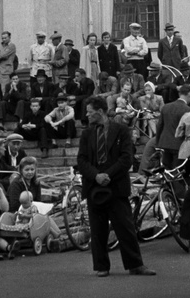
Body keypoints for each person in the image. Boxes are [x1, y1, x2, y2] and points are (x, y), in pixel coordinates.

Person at [76, 96, 155, 277]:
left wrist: (108, 175)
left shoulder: (121, 130)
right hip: (94, 186)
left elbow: (126, 158)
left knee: (126, 227)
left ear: (100, 111)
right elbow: (81, 160)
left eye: (89, 112)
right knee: (98, 230)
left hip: (116, 186)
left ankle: (135, 265)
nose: (87, 115)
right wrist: (96, 176)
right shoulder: (87, 134)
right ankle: (101, 266)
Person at [156, 84, 190, 168]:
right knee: (177, 171)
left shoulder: (166, 107)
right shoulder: (188, 110)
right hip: (179, 145)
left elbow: (159, 126)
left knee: (166, 170)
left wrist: (158, 143)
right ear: (189, 94)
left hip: (165, 143)